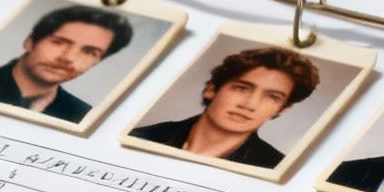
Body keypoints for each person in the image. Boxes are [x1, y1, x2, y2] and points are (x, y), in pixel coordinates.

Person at [131, 44, 321, 168]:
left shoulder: (275, 166)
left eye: (272, 97)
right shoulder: (143, 136)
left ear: (282, 109)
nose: (250, 104)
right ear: (211, 90)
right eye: (241, 88)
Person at [0, 4, 133, 125]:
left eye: (89, 51)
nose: (68, 57)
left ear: (97, 62)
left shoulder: (83, 115)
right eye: (59, 42)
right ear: (30, 42)